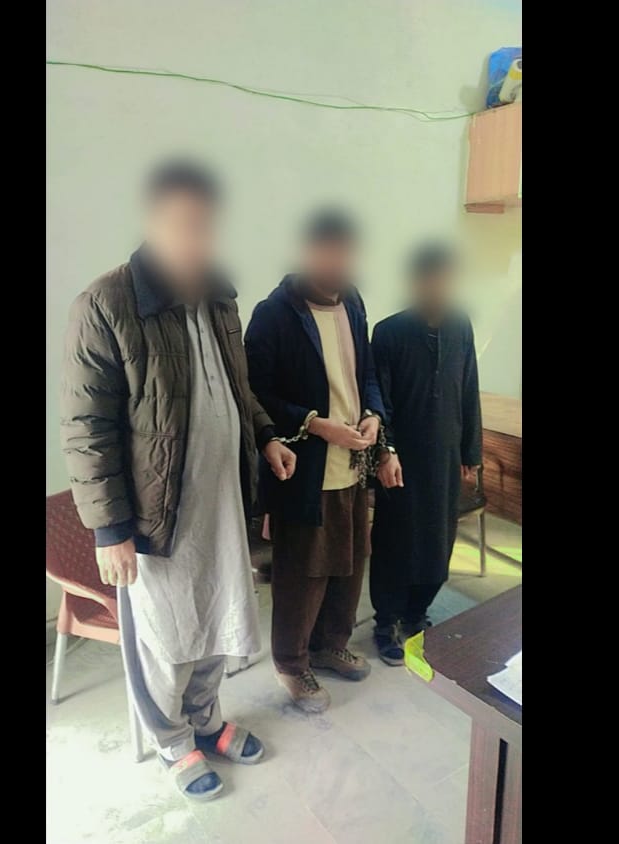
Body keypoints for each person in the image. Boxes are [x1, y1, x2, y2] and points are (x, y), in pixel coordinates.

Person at [60, 160, 297, 802]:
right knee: (166, 637)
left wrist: (266, 436)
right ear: (152, 222)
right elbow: (87, 428)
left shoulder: (219, 296)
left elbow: (236, 388)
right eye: (183, 225)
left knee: (220, 617)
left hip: (222, 501)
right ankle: (172, 740)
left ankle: (208, 720)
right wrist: (110, 529)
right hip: (155, 514)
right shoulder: (106, 305)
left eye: (206, 225)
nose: (197, 240)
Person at [245, 208, 386, 713]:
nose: (338, 265)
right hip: (304, 469)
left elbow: (367, 374)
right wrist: (314, 423)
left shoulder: (353, 302)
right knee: (304, 573)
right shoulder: (274, 314)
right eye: (329, 254)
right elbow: (253, 392)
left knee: (350, 563)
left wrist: (373, 415)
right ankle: (292, 663)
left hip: (353, 463)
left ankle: (330, 646)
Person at [369, 242, 482, 664]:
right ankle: (386, 622)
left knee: (438, 541)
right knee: (395, 541)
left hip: (445, 456)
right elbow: (378, 401)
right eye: (430, 278)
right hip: (401, 460)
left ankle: (417, 613)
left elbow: (468, 388)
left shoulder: (461, 326)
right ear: (416, 282)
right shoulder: (388, 333)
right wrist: (386, 451)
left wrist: (471, 449)